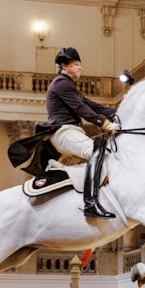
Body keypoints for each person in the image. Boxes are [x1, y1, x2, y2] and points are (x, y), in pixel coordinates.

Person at [40, 47, 121, 219]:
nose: (80, 68)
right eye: (76, 64)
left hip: (71, 131)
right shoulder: (61, 84)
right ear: (64, 66)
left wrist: (118, 113)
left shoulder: (70, 86)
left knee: (100, 151)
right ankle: (90, 204)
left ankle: (61, 169)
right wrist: (105, 123)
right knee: (97, 152)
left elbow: (93, 105)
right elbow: (82, 109)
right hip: (64, 131)